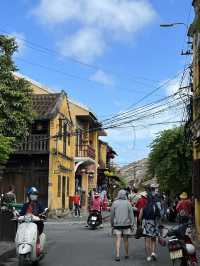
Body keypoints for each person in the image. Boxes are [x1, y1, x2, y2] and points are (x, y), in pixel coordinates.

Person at [111, 190, 135, 262]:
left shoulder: (114, 203)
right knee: (126, 240)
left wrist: (112, 223)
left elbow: (112, 215)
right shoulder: (128, 203)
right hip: (126, 224)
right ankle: (127, 254)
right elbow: (131, 215)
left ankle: (117, 255)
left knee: (118, 239)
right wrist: (132, 224)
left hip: (117, 224)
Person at [139, 193, 161, 262]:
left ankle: (148, 256)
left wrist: (141, 221)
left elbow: (139, 217)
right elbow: (159, 216)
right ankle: (153, 252)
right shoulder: (156, 207)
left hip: (146, 224)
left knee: (147, 241)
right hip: (154, 224)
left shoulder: (144, 207)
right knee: (153, 240)